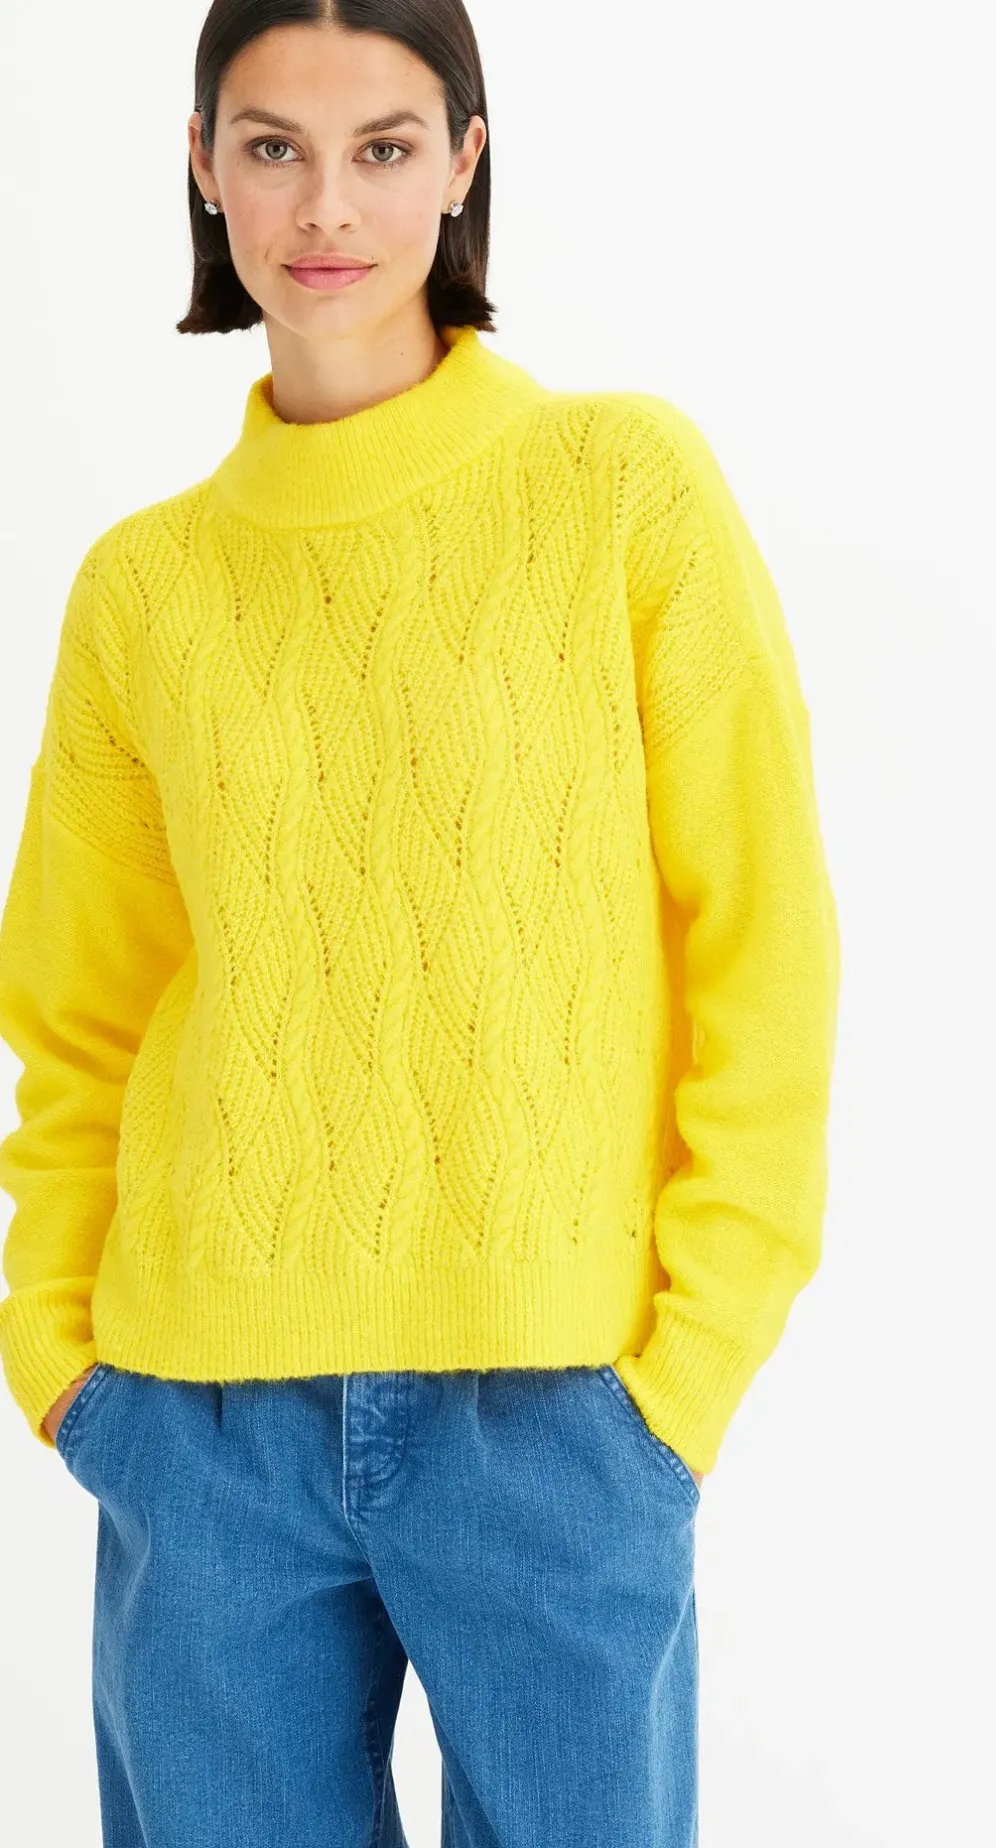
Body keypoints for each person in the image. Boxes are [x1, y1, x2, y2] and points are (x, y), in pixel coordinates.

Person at [0, 2, 839, 1842]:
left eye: (383, 147)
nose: (326, 206)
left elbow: (762, 947)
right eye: (272, 145)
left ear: (464, 161)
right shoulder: (142, 591)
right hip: (197, 1423)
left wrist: (681, 1376)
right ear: (202, 167)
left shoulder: (620, 491)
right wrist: (63, 1361)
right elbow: (77, 1016)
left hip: (558, 1416)